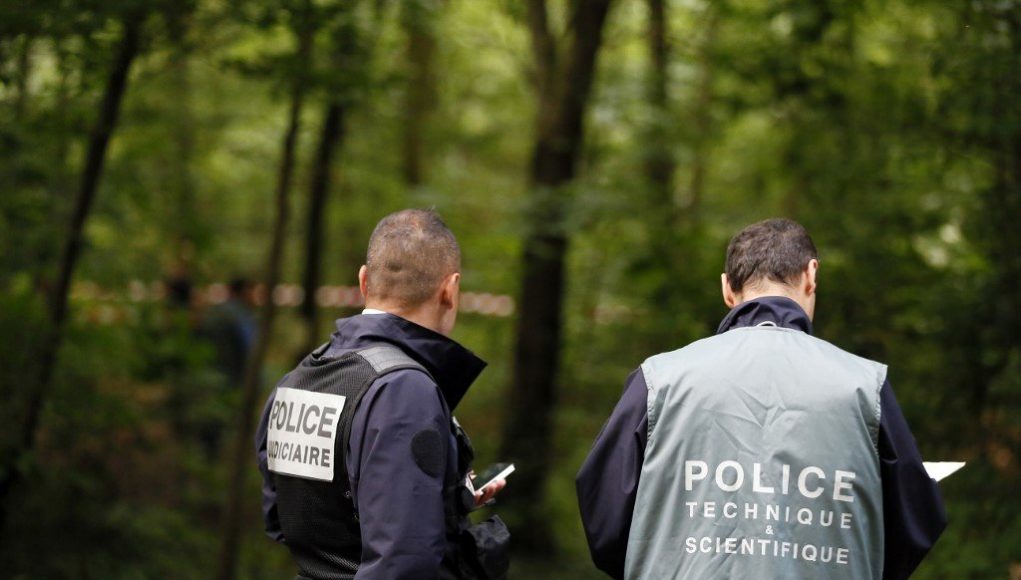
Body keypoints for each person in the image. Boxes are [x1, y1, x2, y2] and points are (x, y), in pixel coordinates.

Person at [576, 218, 946, 580]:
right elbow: (916, 523)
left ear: (727, 288)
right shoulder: (865, 386)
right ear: (811, 275)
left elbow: (604, 516)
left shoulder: (660, 380)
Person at [256, 209, 510, 579]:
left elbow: (283, 518)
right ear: (450, 290)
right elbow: (403, 562)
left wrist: (446, 497)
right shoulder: (404, 390)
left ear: (363, 281)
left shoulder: (298, 379)